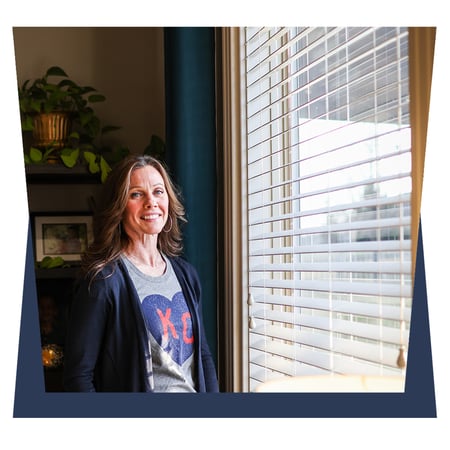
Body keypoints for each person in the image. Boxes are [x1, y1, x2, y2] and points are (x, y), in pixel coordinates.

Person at [63, 154, 219, 392]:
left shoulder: (186, 275)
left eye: (158, 191)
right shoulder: (103, 282)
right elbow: (79, 377)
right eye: (136, 194)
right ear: (119, 206)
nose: (151, 202)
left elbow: (204, 358)